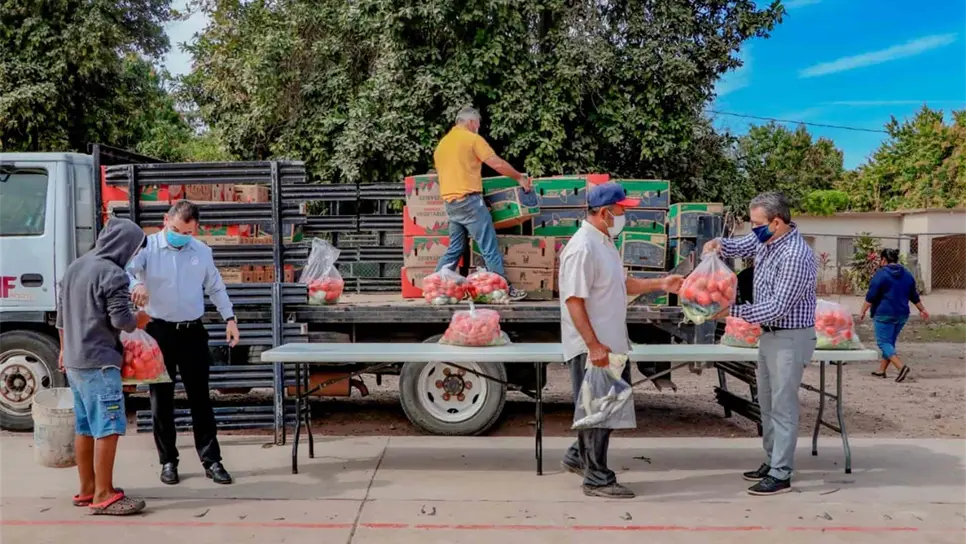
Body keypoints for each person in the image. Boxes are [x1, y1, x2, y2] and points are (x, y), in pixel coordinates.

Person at [559, 183, 683, 498]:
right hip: (594, 347)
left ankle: (578, 456)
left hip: (611, 344)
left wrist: (662, 283)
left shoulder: (604, 243)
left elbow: (623, 284)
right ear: (605, 212)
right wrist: (593, 345)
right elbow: (574, 300)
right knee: (599, 411)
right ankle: (596, 479)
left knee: (608, 408)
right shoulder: (582, 247)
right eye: (621, 209)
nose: (625, 215)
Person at [703, 191, 817, 497]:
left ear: (776, 222)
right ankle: (772, 460)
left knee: (783, 406)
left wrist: (730, 312)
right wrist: (717, 244)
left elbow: (778, 307)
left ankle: (781, 473)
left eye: (756, 223)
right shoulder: (767, 240)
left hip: (790, 337)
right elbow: (741, 244)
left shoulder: (794, 255)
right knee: (766, 403)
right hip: (769, 336)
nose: (752, 229)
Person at [127, 200, 240, 485]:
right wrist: (135, 284)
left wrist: (229, 318)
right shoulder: (147, 248)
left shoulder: (201, 251)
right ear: (166, 220)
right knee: (161, 400)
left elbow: (215, 286)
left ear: (195, 230)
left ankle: (211, 460)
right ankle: (168, 461)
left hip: (192, 332)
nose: (181, 236)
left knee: (200, 398)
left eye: (188, 233)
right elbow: (125, 271)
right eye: (176, 230)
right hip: (159, 332)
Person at [56, 217, 150, 515]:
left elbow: (61, 316)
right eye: (134, 249)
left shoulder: (75, 267)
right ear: (124, 246)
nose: (133, 255)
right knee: (108, 427)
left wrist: (63, 349)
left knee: (85, 426)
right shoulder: (113, 274)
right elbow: (121, 321)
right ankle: (104, 494)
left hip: (74, 360)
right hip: (99, 362)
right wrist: (140, 319)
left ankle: (87, 488)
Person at [433, 105, 531, 301]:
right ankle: (503, 289)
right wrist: (519, 177)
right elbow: (497, 163)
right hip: (469, 202)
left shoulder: (442, 144)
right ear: (471, 122)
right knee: (488, 246)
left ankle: (436, 287)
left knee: (455, 247)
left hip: (451, 204)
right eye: (477, 124)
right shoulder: (472, 139)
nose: (478, 127)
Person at [858, 248, 929, 382]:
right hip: (902, 314)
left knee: (883, 343)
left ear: (884, 260)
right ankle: (881, 370)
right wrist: (922, 309)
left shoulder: (881, 274)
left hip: (883, 314)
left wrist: (862, 311)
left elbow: (871, 296)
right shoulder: (907, 274)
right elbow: (913, 295)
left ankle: (901, 367)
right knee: (889, 342)